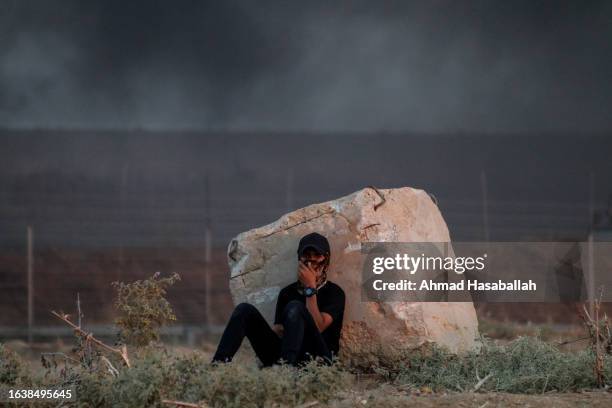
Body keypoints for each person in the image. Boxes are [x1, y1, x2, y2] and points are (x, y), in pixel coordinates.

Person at [212, 232, 345, 366]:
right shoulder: (287, 293)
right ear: (299, 259)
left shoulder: (335, 293)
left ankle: (285, 374)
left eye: (317, 255)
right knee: (244, 310)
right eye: (307, 256)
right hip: (287, 354)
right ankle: (217, 368)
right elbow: (280, 332)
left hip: (318, 362)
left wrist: (310, 288)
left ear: (326, 260)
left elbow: (319, 327)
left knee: (295, 307)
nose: (311, 261)